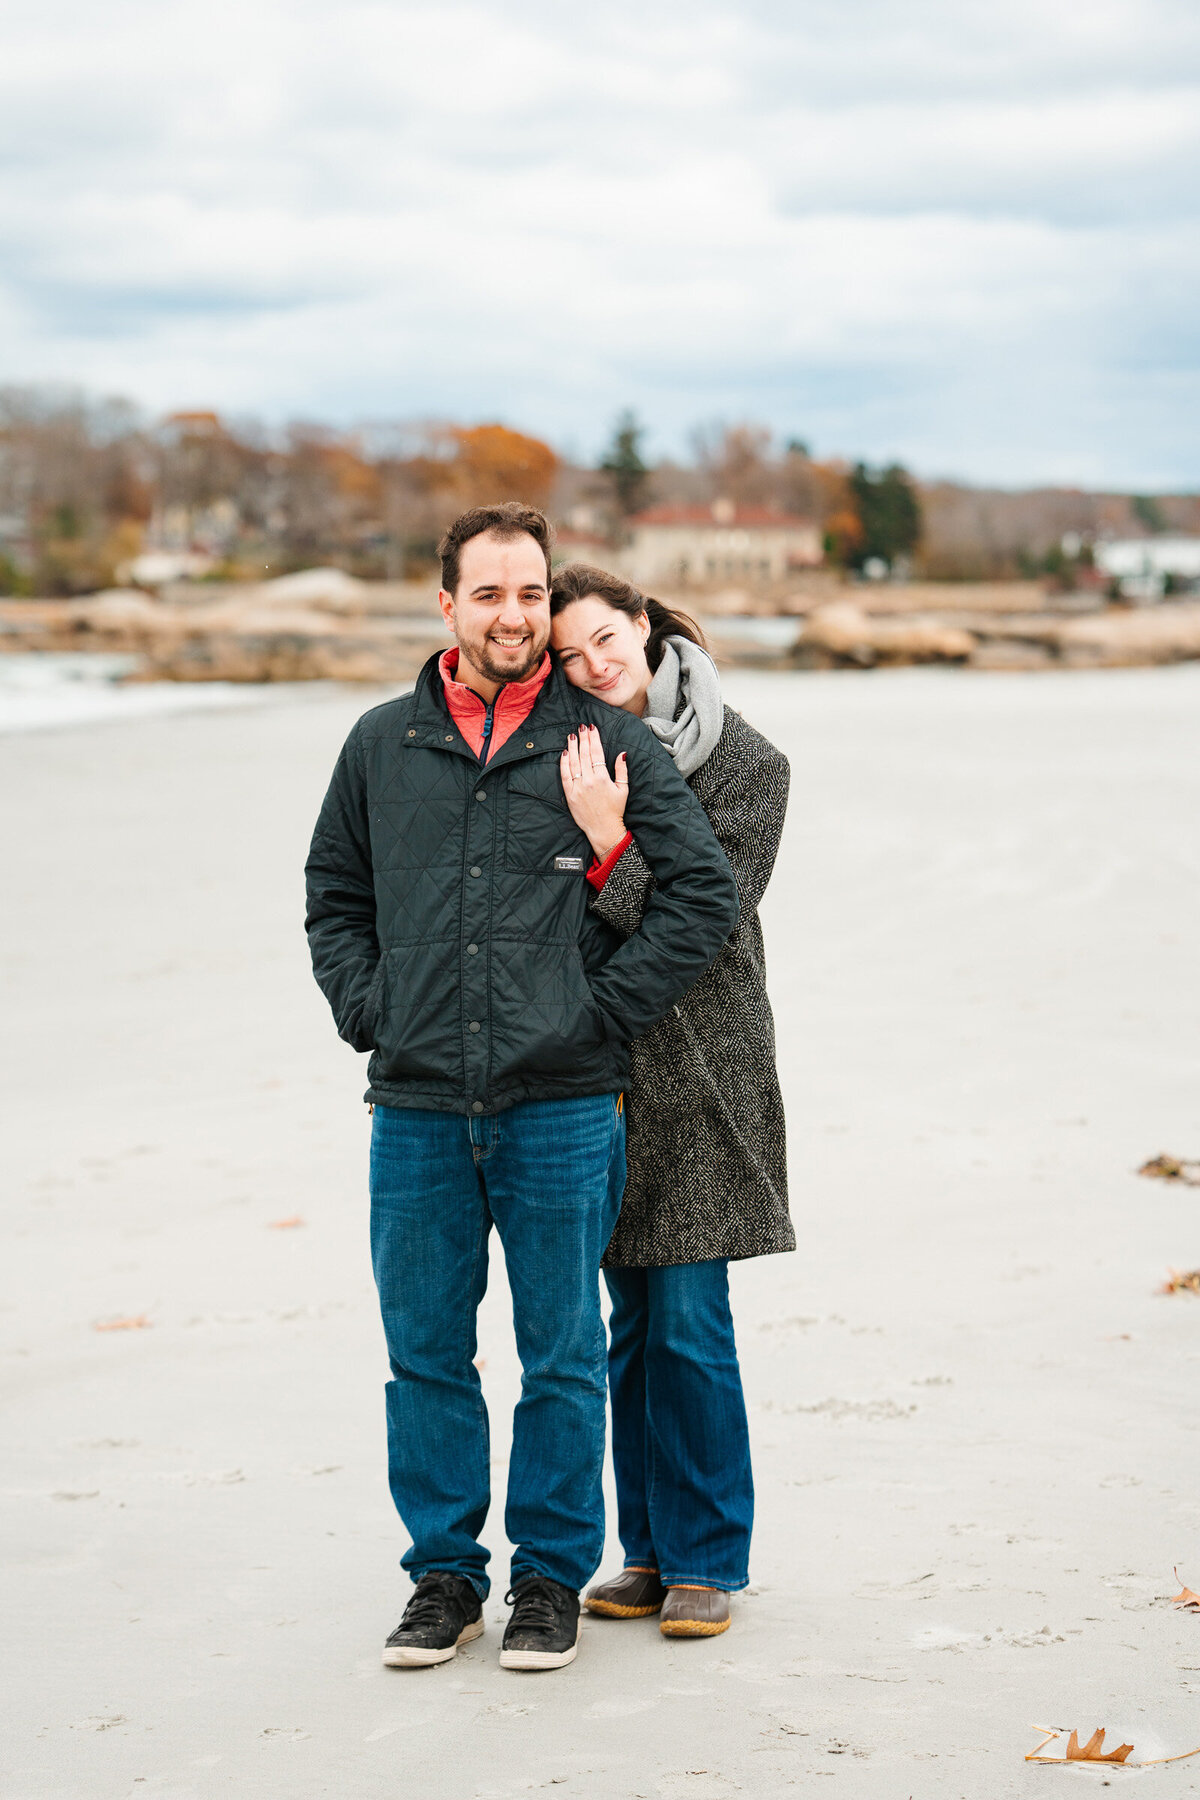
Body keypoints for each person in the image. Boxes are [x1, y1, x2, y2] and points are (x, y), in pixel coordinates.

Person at [304, 506, 738, 1673]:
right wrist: (371, 1012)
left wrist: (595, 1017)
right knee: (427, 1354)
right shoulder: (377, 745)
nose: (514, 615)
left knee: (560, 1355)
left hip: (561, 1108)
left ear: (551, 601)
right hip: (417, 1108)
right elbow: (333, 896)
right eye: (489, 594)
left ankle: (548, 1580)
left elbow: (701, 900)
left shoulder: (606, 743)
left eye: (532, 594)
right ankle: (444, 1577)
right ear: (446, 603)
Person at [549, 562, 794, 1639]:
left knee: (691, 1318)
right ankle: (645, 1549)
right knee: (629, 1326)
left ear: (645, 626)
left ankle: (708, 1560)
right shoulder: (563, 756)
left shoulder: (747, 764)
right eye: (570, 654)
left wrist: (609, 840)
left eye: (607, 637)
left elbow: (700, 924)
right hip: (598, 1066)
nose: (595, 663)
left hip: (705, 1060)